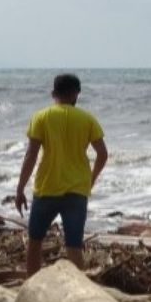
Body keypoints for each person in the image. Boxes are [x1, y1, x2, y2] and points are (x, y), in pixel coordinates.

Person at [15, 73, 108, 277]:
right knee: (74, 245)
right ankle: (79, 292)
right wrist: (90, 179)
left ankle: (32, 284)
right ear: (76, 94)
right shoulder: (87, 119)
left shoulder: (41, 117)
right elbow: (102, 154)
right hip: (76, 191)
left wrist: (20, 187)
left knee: (35, 241)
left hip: (47, 188)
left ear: (53, 93)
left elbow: (31, 155)